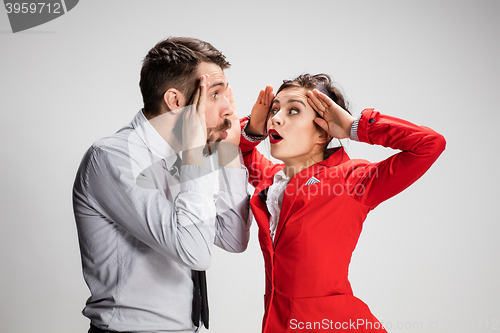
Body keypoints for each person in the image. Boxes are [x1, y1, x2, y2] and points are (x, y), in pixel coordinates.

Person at [239, 74, 446, 332]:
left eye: (293, 110)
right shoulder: (271, 180)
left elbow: (429, 144)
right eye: (274, 110)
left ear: (323, 131)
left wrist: (354, 127)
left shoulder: (352, 179)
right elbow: (238, 149)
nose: (276, 118)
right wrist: (252, 129)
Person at [73, 37, 251, 333]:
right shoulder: (114, 158)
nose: (229, 111)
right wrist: (195, 157)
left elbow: (233, 239)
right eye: (216, 94)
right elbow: (195, 253)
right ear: (176, 101)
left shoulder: (187, 151)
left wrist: (229, 153)